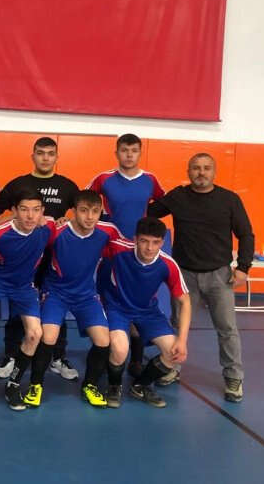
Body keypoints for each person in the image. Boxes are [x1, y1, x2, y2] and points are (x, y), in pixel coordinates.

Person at [148, 153, 254, 402]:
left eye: (206, 168)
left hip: (219, 276)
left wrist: (243, 268)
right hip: (184, 275)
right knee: (177, 324)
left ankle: (233, 377)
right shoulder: (178, 197)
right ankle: (172, 366)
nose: (201, 172)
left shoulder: (229, 199)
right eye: (196, 168)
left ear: (214, 172)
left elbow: (246, 235)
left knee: (226, 328)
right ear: (188, 172)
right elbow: (148, 212)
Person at [0, 136, 79, 382]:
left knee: (55, 306)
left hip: (55, 259)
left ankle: (57, 356)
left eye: (50, 153)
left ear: (57, 157)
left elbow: (85, 212)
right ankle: (11, 355)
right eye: (40, 153)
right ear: (33, 156)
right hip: (22, 258)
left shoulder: (67, 186)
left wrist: (69, 220)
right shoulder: (19, 184)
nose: (45, 158)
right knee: (19, 306)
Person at [24, 190, 123, 409]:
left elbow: (127, 250)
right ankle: (35, 385)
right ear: (74, 211)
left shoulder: (108, 231)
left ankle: (90, 385)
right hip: (56, 293)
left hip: (86, 295)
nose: (90, 217)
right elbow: (26, 242)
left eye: (95, 211)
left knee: (103, 341)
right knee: (48, 336)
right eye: (84, 211)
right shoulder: (57, 230)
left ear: (101, 212)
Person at [88, 133, 165, 377]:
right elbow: (85, 203)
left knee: (138, 302)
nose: (129, 155)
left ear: (140, 153)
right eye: (124, 150)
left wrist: (147, 232)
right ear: (116, 153)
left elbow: (162, 204)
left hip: (140, 253)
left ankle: (137, 358)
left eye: (133, 150)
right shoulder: (103, 179)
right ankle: (103, 351)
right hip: (110, 251)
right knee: (106, 300)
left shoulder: (150, 180)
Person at [0, 188, 56, 412]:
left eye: (36, 210)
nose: (30, 216)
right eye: (24, 210)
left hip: (23, 285)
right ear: (14, 211)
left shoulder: (47, 227)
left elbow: (66, 226)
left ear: (42, 211)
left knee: (35, 334)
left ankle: (14, 384)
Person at [103, 217, 192, 409]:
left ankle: (140, 386)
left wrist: (182, 340)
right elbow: (90, 234)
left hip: (147, 311)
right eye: (144, 241)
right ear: (135, 239)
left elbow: (185, 302)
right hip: (117, 308)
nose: (149, 248)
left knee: (173, 353)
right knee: (120, 349)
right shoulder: (118, 248)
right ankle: (114, 386)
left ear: (162, 242)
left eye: (155, 242)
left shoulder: (168, 264)